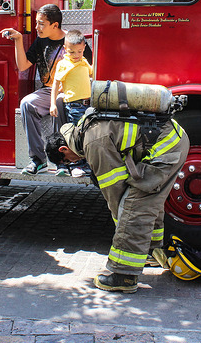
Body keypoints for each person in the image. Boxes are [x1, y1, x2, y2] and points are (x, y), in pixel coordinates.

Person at [45, 115, 189, 293]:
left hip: (166, 149)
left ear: (64, 148)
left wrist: (122, 222)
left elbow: (115, 190)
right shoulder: (85, 127)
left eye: (66, 160)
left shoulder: (92, 143)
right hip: (172, 141)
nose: (73, 162)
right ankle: (151, 252)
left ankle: (124, 275)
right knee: (149, 202)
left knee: (133, 207)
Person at [0, 4, 92, 176]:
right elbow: (23, 65)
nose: (37, 27)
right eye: (36, 23)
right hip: (48, 90)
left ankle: (63, 160)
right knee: (27, 103)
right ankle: (38, 159)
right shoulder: (40, 41)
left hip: (70, 93)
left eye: (41, 23)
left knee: (59, 101)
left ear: (55, 25)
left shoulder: (72, 41)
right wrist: (18, 40)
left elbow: (91, 69)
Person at [49, 30, 93, 177]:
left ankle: (86, 163)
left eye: (79, 51)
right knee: (76, 137)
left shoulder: (84, 62)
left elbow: (93, 72)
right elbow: (55, 84)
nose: (75, 55)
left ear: (84, 48)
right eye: (71, 51)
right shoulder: (63, 64)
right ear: (64, 49)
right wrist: (53, 104)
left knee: (87, 135)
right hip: (74, 105)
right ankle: (77, 165)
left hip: (88, 104)